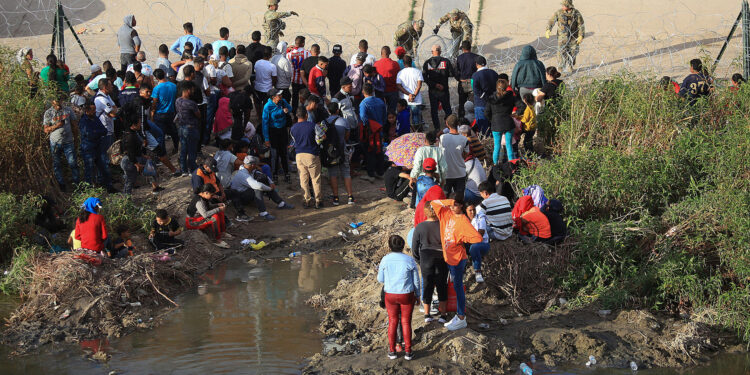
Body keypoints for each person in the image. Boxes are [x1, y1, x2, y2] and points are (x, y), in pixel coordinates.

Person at [430, 198, 482, 330]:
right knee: (453, 286)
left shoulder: (463, 220)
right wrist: (450, 201)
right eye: (452, 205)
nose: (452, 208)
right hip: (448, 257)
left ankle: (461, 317)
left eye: (456, 206)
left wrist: (462, 239)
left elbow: (477, 237)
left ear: (461, 207)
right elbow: (433, 203)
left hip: (458, 259)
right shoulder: (446, 212)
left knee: (459, 288)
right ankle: (457, 315)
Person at [377, 235, 420, 361]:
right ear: (403, 246)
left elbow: (380, 279)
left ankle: (392, 352)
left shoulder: (385, 259)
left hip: (390, 295)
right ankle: (408, 352)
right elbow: (416, 281)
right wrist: (418, 295)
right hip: (406, 294)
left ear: (390, 247)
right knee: (406, 322)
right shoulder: (409, 260)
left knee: (393, 321)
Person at [228, 155, 293, 221]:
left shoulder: (248, 169)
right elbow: (258, 186)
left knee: (262, 181)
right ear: (252, 165)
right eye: (255, 164)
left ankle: (281, 204)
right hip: (240, 198)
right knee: (258, 188)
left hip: (246, 192)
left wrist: (270, 182)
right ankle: (263, 213)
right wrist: (270, 188)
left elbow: (260, 174)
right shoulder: (243, 174)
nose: (256, 166)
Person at [120, 102, 162, 195]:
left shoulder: (132, 133)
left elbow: (135, 149)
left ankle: (155, 187)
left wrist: (143, 156)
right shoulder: (130, 137)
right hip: (130, 161)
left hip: (134, 158)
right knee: (130, 180)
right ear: (134, 125)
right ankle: (126, 201)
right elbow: (130, 152)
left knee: (150, 166)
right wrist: (137, 164)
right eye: (139, 123)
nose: (140, 125)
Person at [43, 95, 80, 192]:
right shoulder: (49, 113)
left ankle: (77, 185)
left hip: (68, 142)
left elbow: (74, 125)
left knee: (73, 163)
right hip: (55, 142)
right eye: (56, 100)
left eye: (60, 100)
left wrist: (75, 139)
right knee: (57, 164)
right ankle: (61, 185)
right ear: (52, 101)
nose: (59, 102)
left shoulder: (68, 110)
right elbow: (46, 130)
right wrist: (56, 126)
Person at [78, 99, 115, 192]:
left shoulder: (95, 119)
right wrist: (97, 132)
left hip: (98, 147)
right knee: (89, 171)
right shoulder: (83, 121)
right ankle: (89, 190)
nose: (95, 111)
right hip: (88, 149)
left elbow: (104, 130)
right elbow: (89, 134)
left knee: (104, 168)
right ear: (87, 111)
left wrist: (95, 132)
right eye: (92, 110)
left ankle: (108, 187)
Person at [291, 106, 323, 208]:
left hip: (299, 155)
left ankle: (306, 200)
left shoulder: (293, 128)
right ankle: (318, 201)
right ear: (306, 115)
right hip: (311, 154)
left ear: (297, 116)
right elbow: (322, 136)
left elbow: (294, 142)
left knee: (303, 179)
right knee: (315, 179)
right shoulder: (312, 125)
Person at [325, 102, 355, 205]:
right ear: (338, 110)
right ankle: (350, 197)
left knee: (333, 174)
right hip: (342, 150)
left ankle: (336, 198)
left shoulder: (324, 122)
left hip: (330, 152)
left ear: (329, 111)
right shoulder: (344, 121)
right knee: (346, 173)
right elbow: (347, 136)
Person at [261, 88, 293, 182]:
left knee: (284, 153)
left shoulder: (282, 101)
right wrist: (266, 138)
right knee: (274, 154)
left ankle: (286, 174)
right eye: (279, 95)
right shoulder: (267, 107)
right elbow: (265, 123)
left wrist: (286, 109)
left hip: (282, 130)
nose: (281, 97)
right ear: (273, 97)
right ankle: (274, 175)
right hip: (273, 131)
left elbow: (290, 109)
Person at [545, 0, 585, 72]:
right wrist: (548, 29)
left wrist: (581, 35)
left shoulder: (576, 13)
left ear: (568, 6)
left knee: (573, 52)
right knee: (561, 53)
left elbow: (581, 25)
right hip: (562, 37)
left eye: (564, 5)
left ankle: (570, 65)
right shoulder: (559, 12)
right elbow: (551, 21)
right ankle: (561, 69)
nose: (562, 6)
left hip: (573, 37)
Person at [423, 45, 454, 130]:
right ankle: (451, 127)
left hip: (433, 91)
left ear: (432, 52)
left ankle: (437, 129)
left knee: (434, 110)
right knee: (447, 109)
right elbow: (451, 74)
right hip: (444, 90)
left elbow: (424, 78)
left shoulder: (427, 63)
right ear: (440, 52)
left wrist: (435, 85)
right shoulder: (446, 61)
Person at [486, 79, 517, 163]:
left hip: (496, 123)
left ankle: (495, 166)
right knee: (509, 145)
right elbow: (521, 106)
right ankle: (512, 165)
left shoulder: (491, 99)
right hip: (508, 122)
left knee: (497, 147)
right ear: (506, 87)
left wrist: (492, 119)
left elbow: (486, 113)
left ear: (496, 87)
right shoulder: (511, 97)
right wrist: (515, 114)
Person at [360, 84, 387, 177]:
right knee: (379, 150)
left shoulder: (364, 103)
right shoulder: (380, 101)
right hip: (379, 129)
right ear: (373, 91)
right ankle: (380, 171)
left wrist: (368, 125)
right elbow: (385, 115)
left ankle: (371, 172)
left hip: (370, 131)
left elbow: (363, 117)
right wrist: (380, 125)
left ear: (363, 92)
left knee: (370, 150)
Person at [439, 115, 469, 199]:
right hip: (460, 173)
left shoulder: (442, 138)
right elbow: (465, 156)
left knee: (445, 198)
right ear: (458, 124)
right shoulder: (464, 139)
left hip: (447, 174)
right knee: (459, 199)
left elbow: (441, 153)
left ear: (447, 124)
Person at [175, 80, 201, 175]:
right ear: (188, 90)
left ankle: (184, 169)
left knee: (183, 149)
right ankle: (192, 168)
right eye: (192, 89)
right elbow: (198, 115)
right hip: (191, 128)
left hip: (181, 128)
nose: (193, 91)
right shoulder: (191, 103)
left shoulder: (178, 101)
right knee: (192, 150)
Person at [151, 68, 179, 153]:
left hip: (160, 114)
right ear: (164, 74)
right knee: (174, 132)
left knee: (160, 134)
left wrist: (152, 114)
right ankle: (176, 148)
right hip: (171, 113)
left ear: (156, 78)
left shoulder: (157, 88)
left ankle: (162, 153)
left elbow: (154, 103)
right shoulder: (173, 86)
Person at [471, 56, 498, 134]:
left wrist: (484, 96)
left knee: (483, 129)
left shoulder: (475, 75)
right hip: (493, 102)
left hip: (481, 104)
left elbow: (475, 90)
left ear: (476, 64)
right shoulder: (494, 73)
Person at [396, 55, 425, 129]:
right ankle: (417, 133)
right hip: (416, 99)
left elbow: (399, 86)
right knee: (416, 118)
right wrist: (414, 95)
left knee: (406, 119)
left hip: (405, 100)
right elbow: (419, 85)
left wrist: (409, 94)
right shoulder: (417, 71)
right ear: (411, 62)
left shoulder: (400, 73)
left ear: (403, 63)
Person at [465, 203, 491, 283]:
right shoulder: (464, 220)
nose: (472, 212)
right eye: (470, 210)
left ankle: (478, 272)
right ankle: (460, 272)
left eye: (474, 210)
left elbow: (480, 234)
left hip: (482, 244)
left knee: (474, 247)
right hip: (470, 242)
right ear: (466, 211)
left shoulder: (480, 217)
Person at [287, 36, 311, 113]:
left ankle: (294, 113)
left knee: (295, 97)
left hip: (294, 79)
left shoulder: (290, 54)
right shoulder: (307, 53)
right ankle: (304, 113)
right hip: (304, 80)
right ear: (303, 43)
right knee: (304, 97)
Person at [374, 46, 401, 113]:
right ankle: (391, 122)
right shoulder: (395, 64)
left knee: (381, 110)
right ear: (390, 53)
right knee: (392, 110)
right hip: (393, 90)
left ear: (381, 53)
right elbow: (399, 77)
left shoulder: (376, 64)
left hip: (380, 91)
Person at [455, 41, 478, 118]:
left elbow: (456, 71)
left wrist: (459, 79)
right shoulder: (476, 57)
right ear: (470, 48)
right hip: (472, 82)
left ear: (463, 49)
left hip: (463, 83)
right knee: (473, 103)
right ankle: (473, 120)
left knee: (462, 103)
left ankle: (461, 120)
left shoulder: (459, 58)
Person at [94, 77, 118, 147]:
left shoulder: (106, 96)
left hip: (110, 129)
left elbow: (114, 107)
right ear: (105, 87)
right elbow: (113, 114)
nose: (112, 86)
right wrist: (114, 110)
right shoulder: (102, 99)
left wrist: (114, 110)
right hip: (105, 131)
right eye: (110, 85)